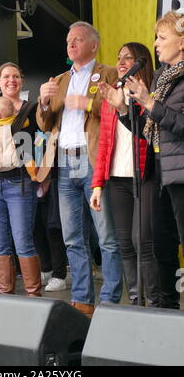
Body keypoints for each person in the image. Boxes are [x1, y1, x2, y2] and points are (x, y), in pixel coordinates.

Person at [36, 21, 123, 318]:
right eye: (69, 39)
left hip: (94, 160)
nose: (71, 43)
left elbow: (118, 112)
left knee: (106, 236)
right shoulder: (58, 79)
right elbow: (44, 124)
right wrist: (44, 102)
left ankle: (110, 300)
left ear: (94, 45)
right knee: (72, 237)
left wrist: (87, 103)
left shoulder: (109, 73)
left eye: (78, 39)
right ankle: (82, 299)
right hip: (64, 161)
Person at [102, 11, 184, 309]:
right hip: (162, 172)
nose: (156, 44)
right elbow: (149, 130)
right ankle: (166, 309)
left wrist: (150, 102)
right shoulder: (164, 77)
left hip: (181, 174)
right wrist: (124, 110)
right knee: (162, 245)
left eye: (162, 38)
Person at [90, 42, 161, 307]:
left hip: (144, 176)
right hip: (116, 179)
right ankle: (135, 299)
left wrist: (126, 107)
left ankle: (153, 301)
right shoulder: (113, 96)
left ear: (140, 61)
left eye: (128, 58)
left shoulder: (150, 95)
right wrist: (97, 185)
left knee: (141, 240)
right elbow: (105, 145)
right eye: (119, 57)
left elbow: (149, 136)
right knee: (124, 243)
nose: (120, 62)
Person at [0, 63, 41, 297]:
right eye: (6, 76)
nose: (11, 80)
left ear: (21, 81)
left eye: (16, 76)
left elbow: (39, 143)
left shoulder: (30, 109)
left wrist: (40, 175)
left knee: (23, 241)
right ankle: (6, 296)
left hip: (19, 183)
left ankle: (33, 296)